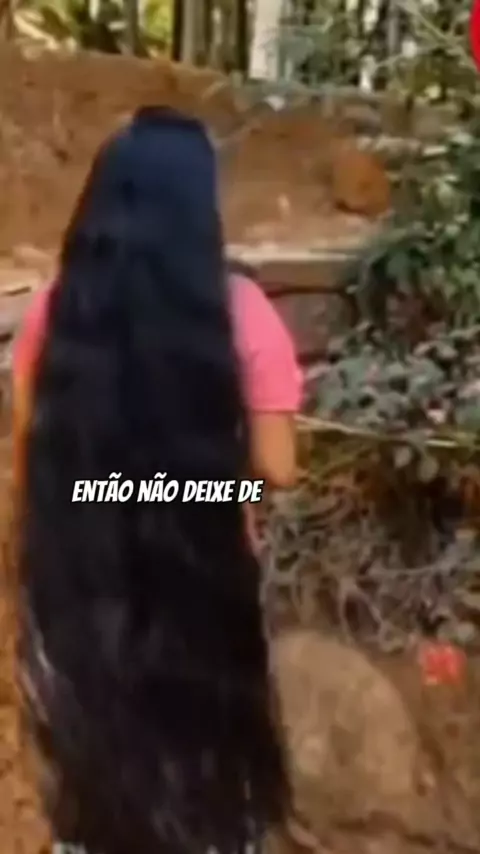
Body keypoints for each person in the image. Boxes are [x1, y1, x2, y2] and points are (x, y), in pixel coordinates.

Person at [12, 106, 301, 854]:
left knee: (96, 757)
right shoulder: (242, 313)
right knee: (206, 760)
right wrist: (208, 491)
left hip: (82, 572)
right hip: (201, 573)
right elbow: (277, 466)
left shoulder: (56, 308)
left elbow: (32, 440)